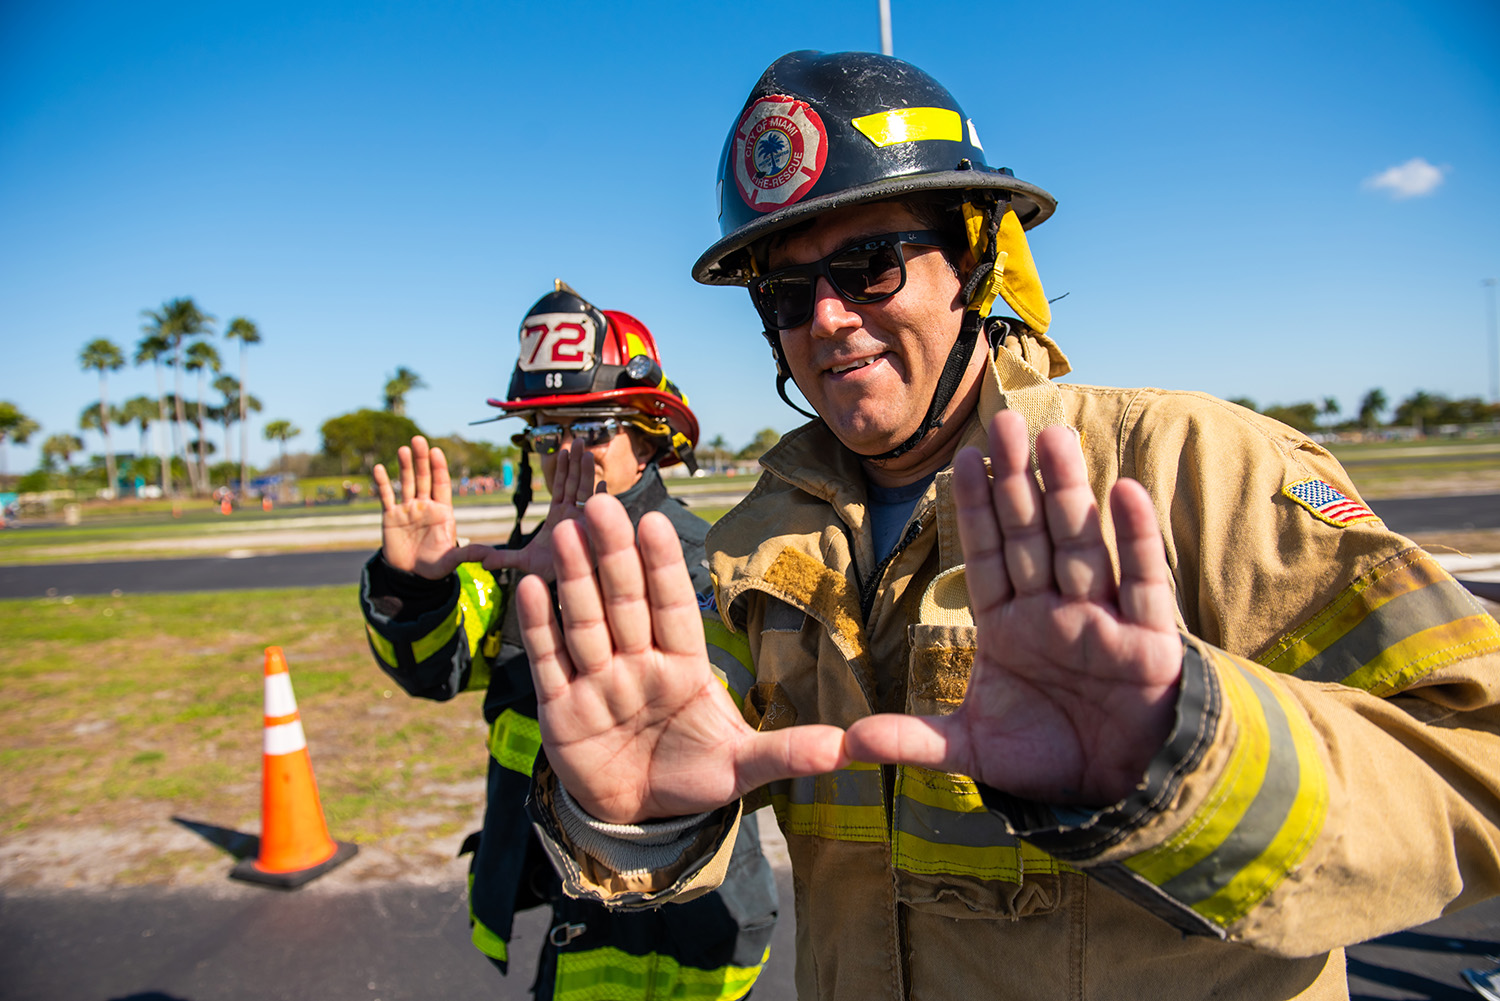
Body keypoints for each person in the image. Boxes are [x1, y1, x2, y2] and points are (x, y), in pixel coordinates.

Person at [514, 51, 1500, 1001]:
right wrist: (643, 818)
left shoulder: (1194, 468)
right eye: (785, 291)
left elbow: (1478, 766)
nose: (827, 318)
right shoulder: (753, 551)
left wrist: (1187, 754)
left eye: (869, 265)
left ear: (975, 257)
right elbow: (697, 777)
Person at [358, 281, 778, 1001]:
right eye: (548, 434)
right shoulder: (522, 564)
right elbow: (432, 669)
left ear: (647, 435)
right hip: (567, 898)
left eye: (591, 430)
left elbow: (723, 729)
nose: (565, 455)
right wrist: (415, 583)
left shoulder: (704, 561)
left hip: (676, 927)